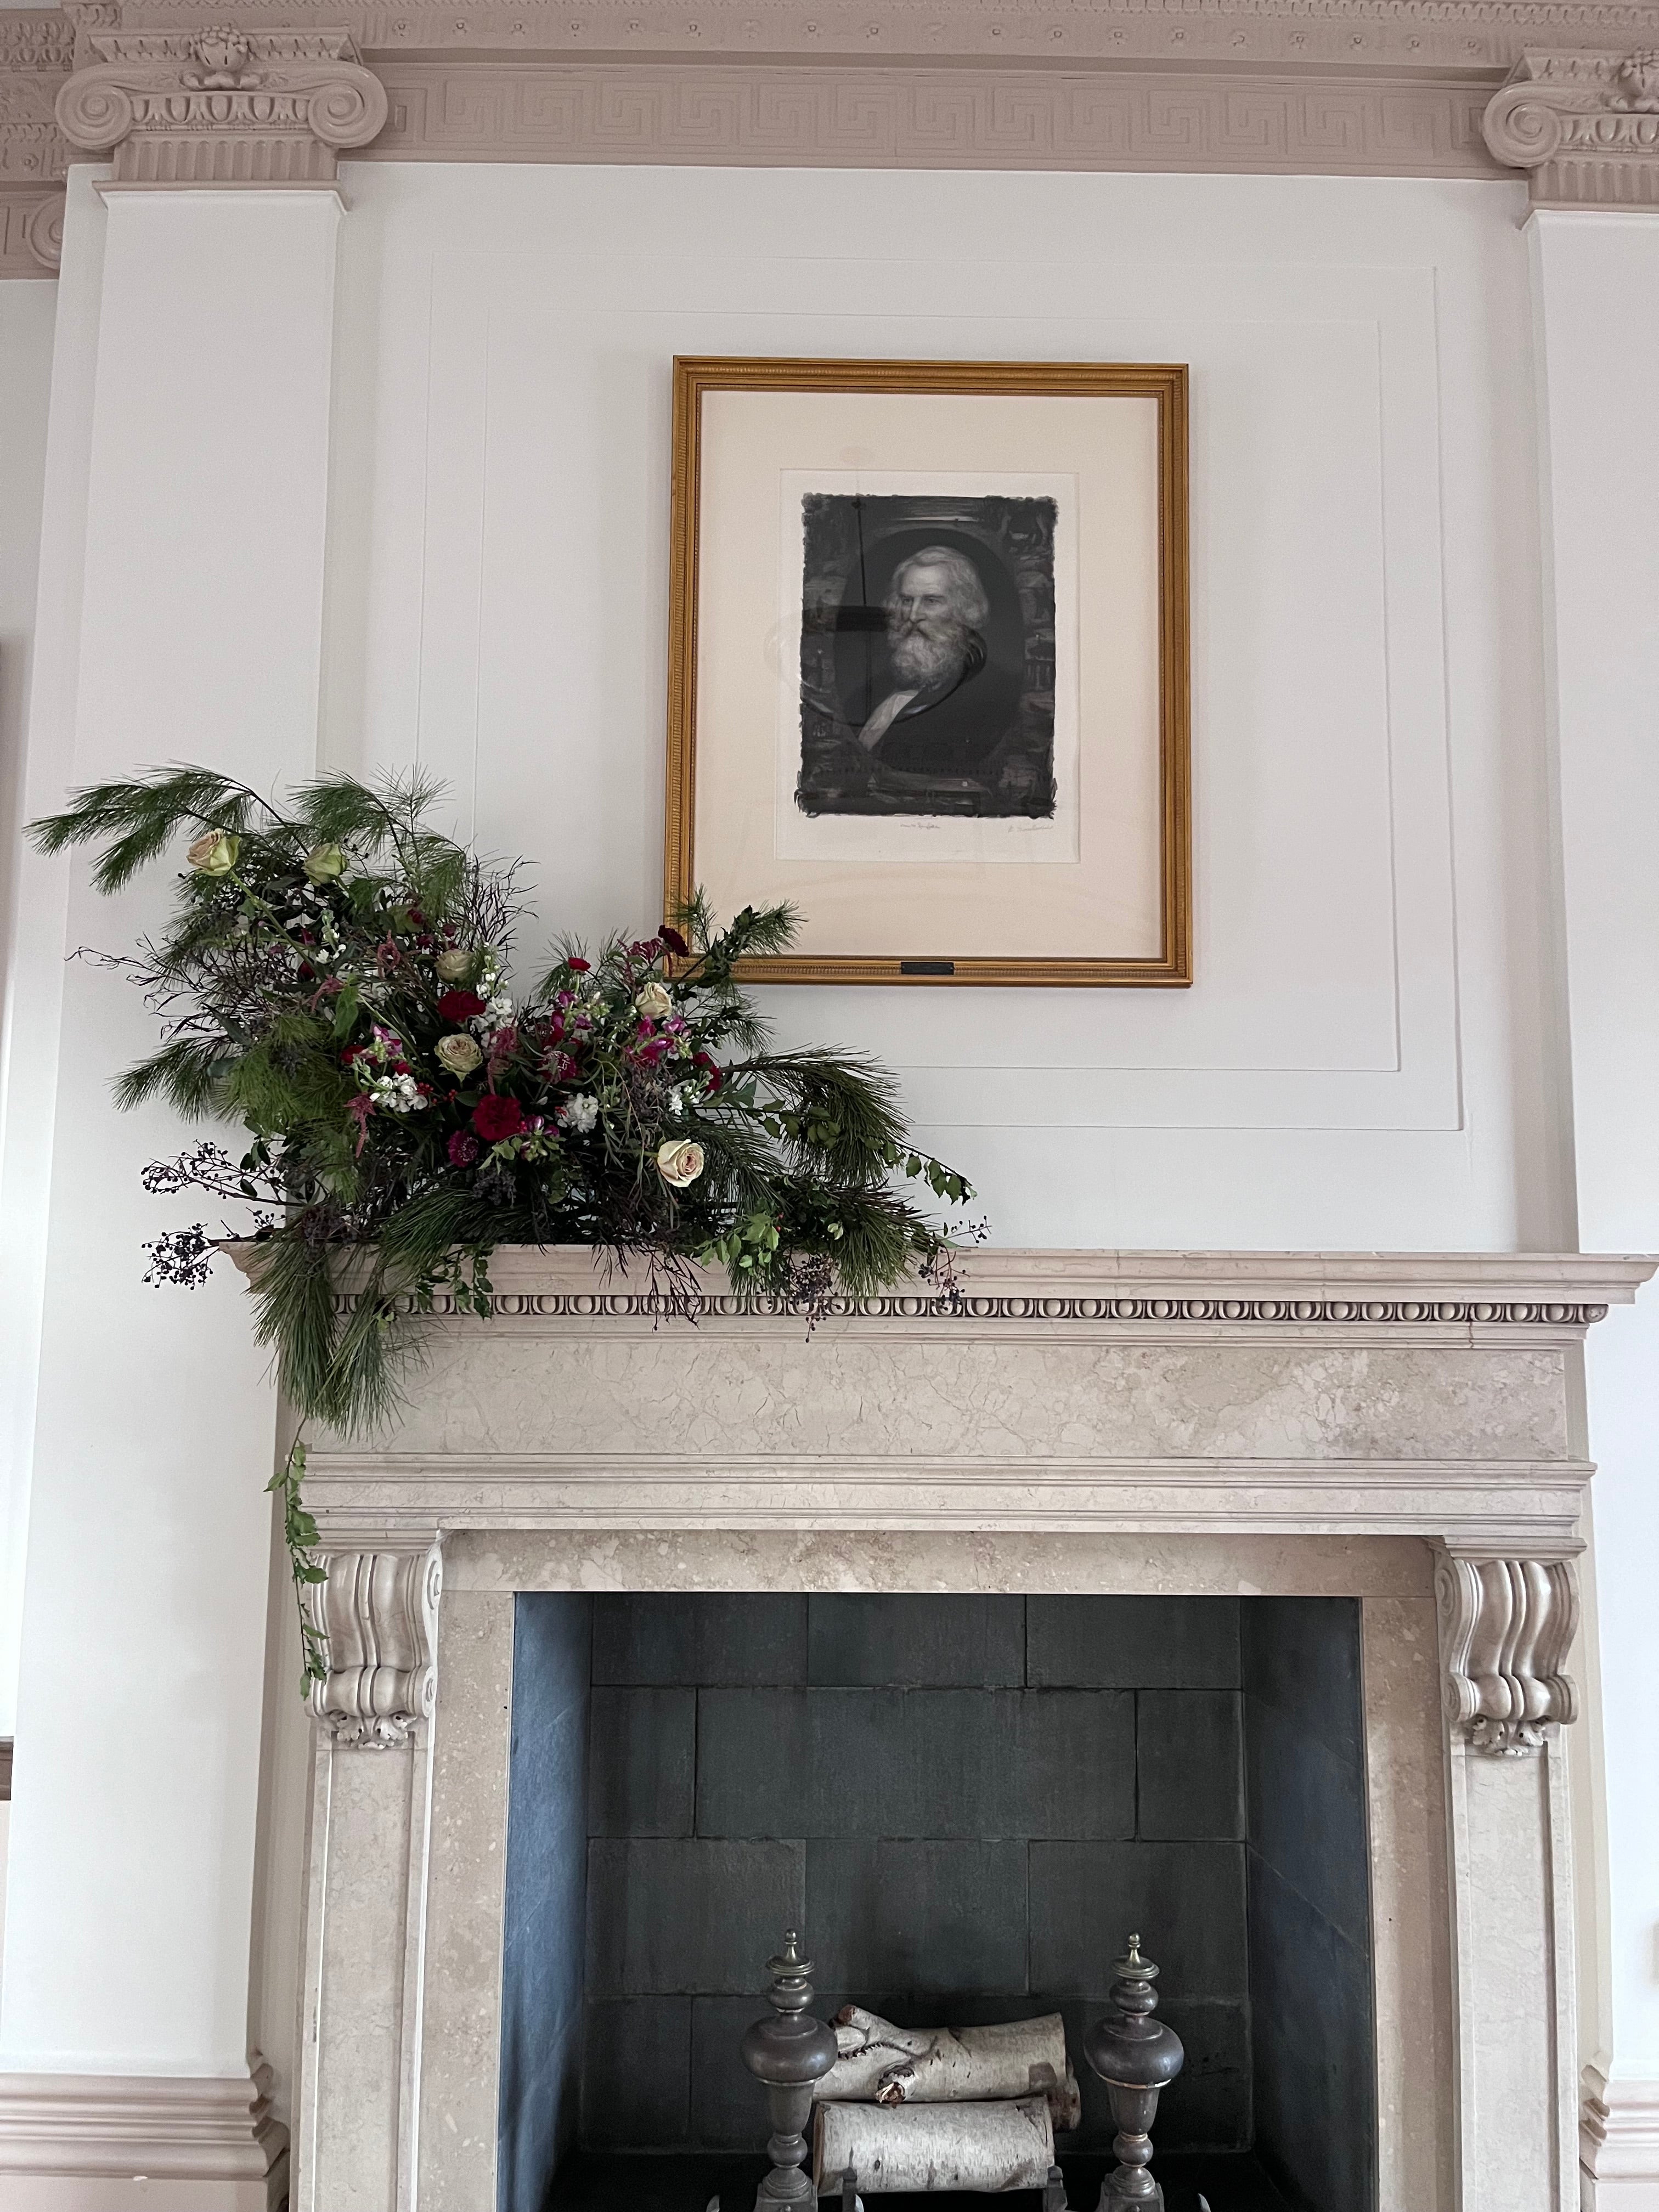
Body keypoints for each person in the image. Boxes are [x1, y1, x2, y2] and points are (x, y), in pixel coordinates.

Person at [855, 545, 1020, 778]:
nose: (912, 616)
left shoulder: (997, 694)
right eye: (906, 600)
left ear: (965, 609)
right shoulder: (875, 687)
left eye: (931, 601)